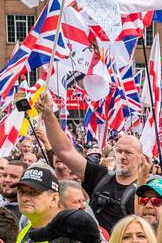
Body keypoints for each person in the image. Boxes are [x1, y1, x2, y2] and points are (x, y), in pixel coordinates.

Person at [40, 96, 139, 231]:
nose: (122, 156)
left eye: (128, 152)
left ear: (141, 158)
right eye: (119, 151)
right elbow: (65, 151)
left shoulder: (147, 188)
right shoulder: (101, 176)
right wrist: (49, 116)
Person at [11, 162, 62, 243]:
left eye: (33, 192)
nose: (24, 198)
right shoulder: (25, 230)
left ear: (54, 198)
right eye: (21, 192)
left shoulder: (65, 237)